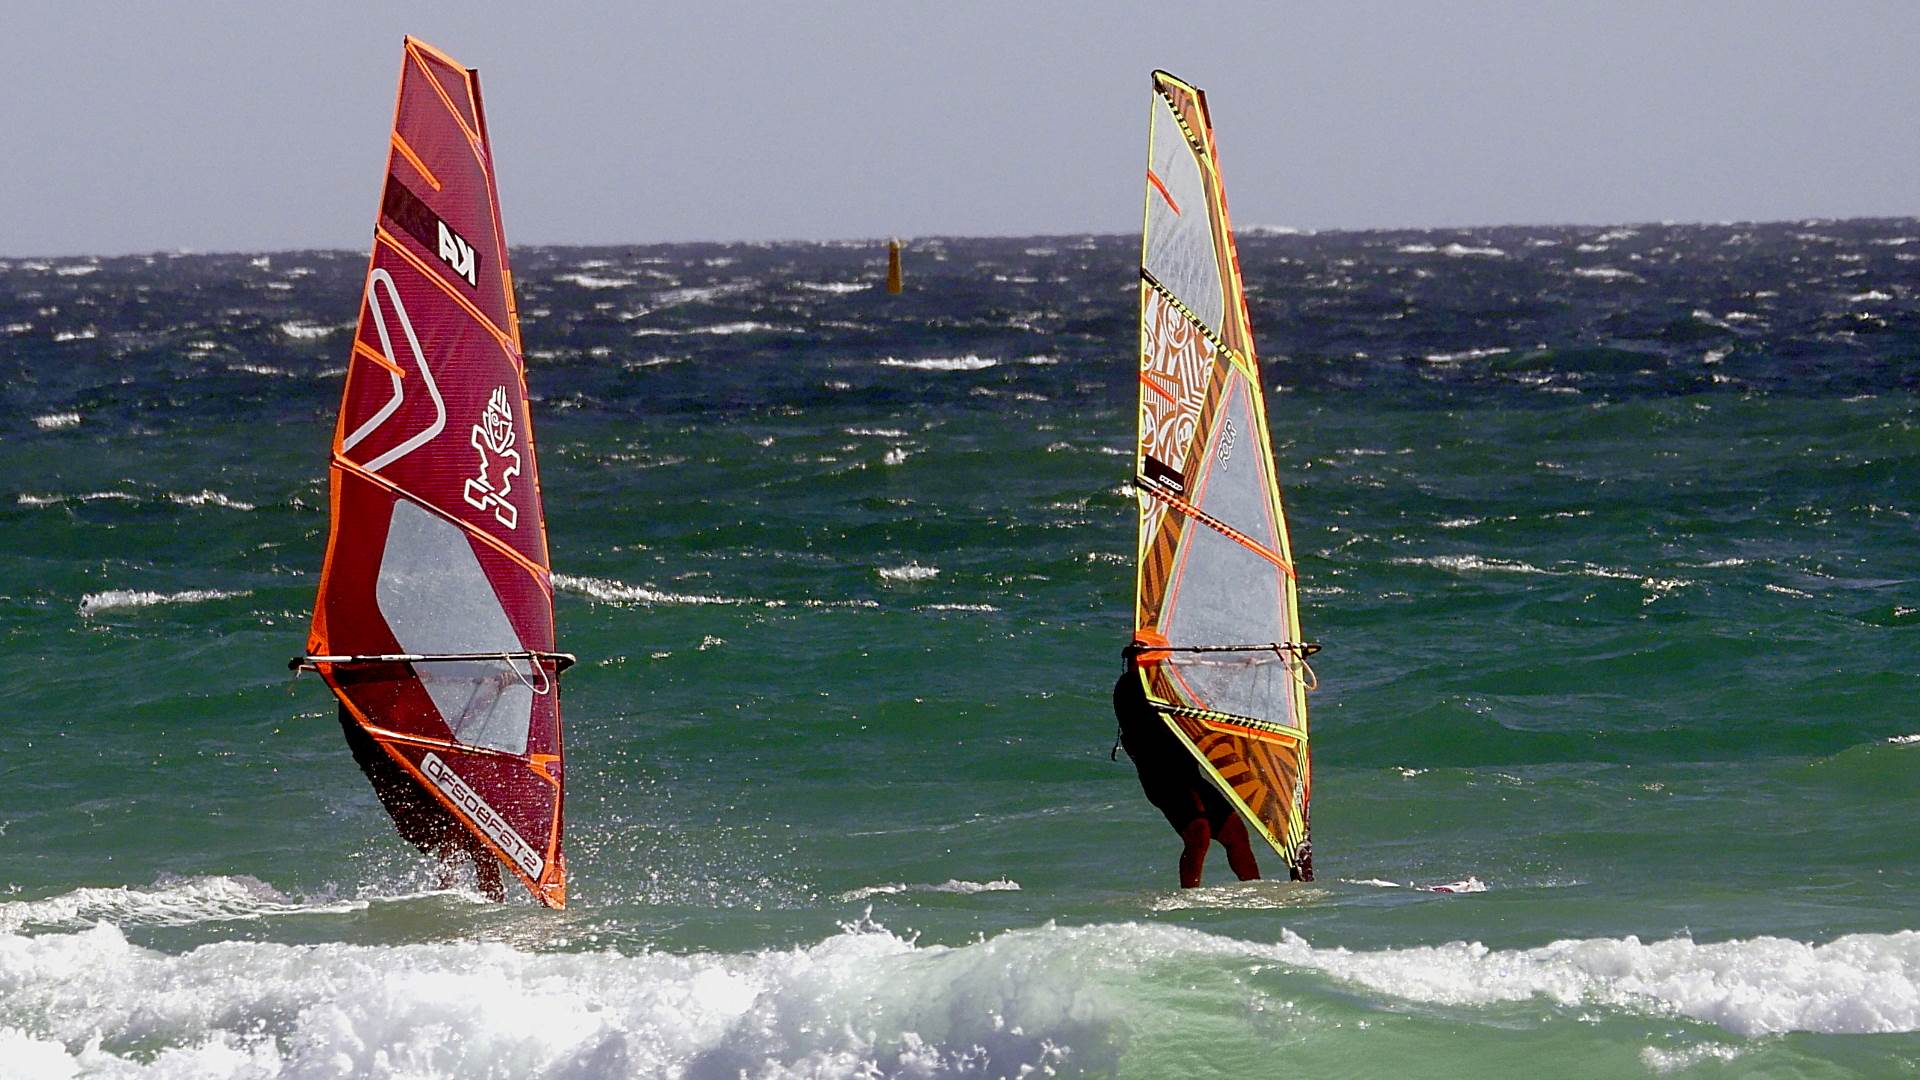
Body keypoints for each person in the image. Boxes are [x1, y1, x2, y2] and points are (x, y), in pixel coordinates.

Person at [1114, 657, 1261, 888]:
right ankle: (1189, 897)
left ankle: (1255, 890)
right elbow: (1173, 709)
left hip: (1189, 776)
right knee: (1198, 833)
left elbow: (1202, 699)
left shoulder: (1167, 684)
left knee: (1236, 833)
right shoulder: (1130, 687)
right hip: (1162, 778)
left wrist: (1235, 670)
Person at [337, 708, 505, 900]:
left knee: (467, 826)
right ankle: (463, 895)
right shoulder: (364, 712)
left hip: (388, 745)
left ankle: (469, 895)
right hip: (388, 752)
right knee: (465, 824)